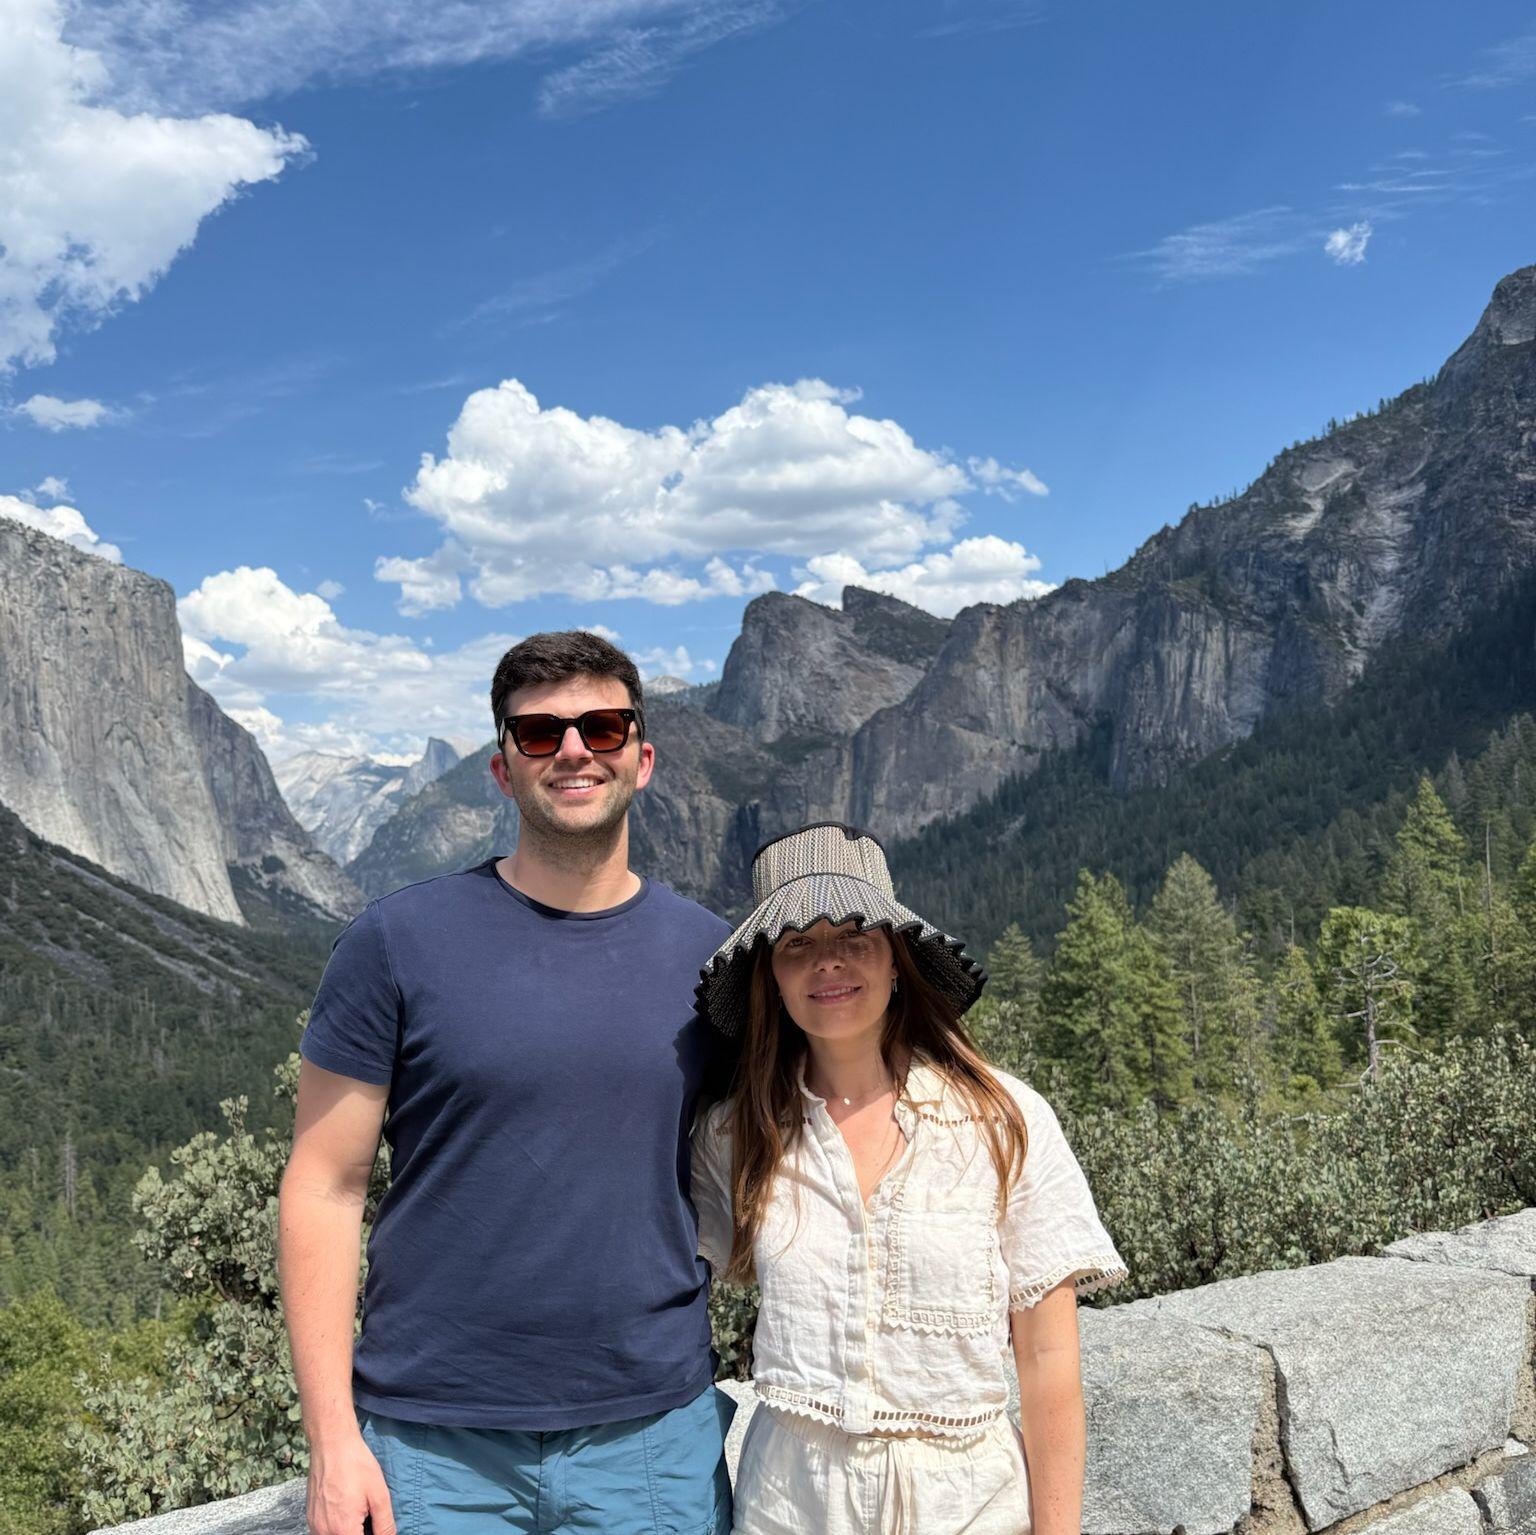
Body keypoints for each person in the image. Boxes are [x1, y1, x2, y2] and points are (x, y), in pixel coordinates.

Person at [278, 630, 737, 1535]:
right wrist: (332, 1440)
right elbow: (323, 1186)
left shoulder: (713, 958)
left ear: (641, 759)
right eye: (539, 734)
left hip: (651, 1437)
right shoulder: (397, 941)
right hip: (432, 1444)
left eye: (602, 728)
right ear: (503, 770)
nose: (573, 749)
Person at [691, 822, 1128, 1535]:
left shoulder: (1004, 1122)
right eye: (798, 942)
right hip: (788, 1507)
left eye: (854, 934)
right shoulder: (736, 1133)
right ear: (771, 972)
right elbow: (669, 1288)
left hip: (969, 1508)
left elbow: (1047, 1361)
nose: (827, 962)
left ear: (897, 959)